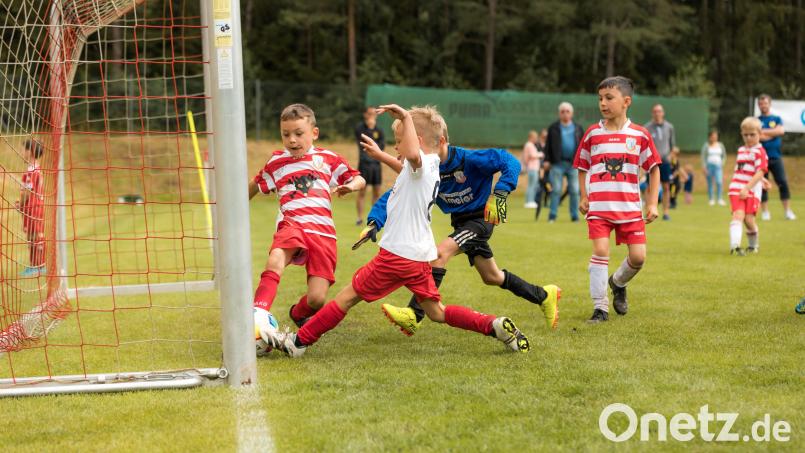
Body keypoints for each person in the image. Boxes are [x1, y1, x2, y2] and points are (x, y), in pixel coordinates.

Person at [264, 104, 531, 357]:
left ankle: (298, 342)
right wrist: (381, 156)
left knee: (346, 298)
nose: (396, 146)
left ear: (419, 141)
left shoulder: (421, 162)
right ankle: (494, 325)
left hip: (396, 256)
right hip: (418, 258)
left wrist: (404, 116)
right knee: (437, 312)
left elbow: (413, 157)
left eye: (400, 140)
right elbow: (406, 167)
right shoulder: (431, 167)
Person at [356, 130, 560, 336]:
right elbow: (394, 196)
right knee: (491, 276)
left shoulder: (468, 159)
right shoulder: (428, 169)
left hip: (481, 220)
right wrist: (375, 221)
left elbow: (510, 162)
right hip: (461, 223)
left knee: (438, 255)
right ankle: (543, 295)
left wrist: (500, 193)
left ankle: (414, 315)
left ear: (439, 141)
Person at [250, 104, 366, 347]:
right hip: (292, 226)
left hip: (323, 235)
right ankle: (257, 315)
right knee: (275, 259)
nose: (292, 140)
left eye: (298, 133)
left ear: (314, 133)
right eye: (286, 134)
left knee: (316, 299)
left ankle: (298, 313)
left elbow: (359, 178)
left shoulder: (329, 159)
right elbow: (255, 184)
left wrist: (351, 186)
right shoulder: (276, 162)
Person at [574, 76, 661, 323]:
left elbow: (654, 168)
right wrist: (583, 195)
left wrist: (652, 202)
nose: (603, 103)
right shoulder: (592, 133)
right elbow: (582, 165)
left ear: (626, 101)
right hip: (599, 208)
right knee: (601, 251)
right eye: (600, 98)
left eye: (608, 98)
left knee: (638, 258)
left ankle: (618, 282)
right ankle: (600, 308)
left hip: (630, 209)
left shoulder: (640, 135)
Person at [727, 117, 768, 256]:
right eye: (746, 135)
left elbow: (760, 170)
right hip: (736, 189)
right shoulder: (741, 150)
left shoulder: (760, 152)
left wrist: (749, 187)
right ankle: (735, 246)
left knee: (749, 220)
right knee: (738, 215)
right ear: (741, 134)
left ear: (760, 134)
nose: (749, 137)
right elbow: (743, 170)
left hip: (751, 190)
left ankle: (753, 245)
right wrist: (742, 188)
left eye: (752, 134)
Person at [757, 94, 796, 220]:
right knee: (762, 185)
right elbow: (758, 136)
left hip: (776, 157)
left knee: (783, 183)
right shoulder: (756, 121)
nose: (763, 105)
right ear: (759, 105)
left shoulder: (777, 118)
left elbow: (781, 131)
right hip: (762, 158)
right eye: (761, 103)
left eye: (765, 103)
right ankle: (765, 212)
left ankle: (787, 211)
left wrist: (764, 131)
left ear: (770, 104)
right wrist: (773, 132)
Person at [544, 102, 583, 222]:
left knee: (575, 190)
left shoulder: (578, 128)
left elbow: (583, 146)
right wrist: (546, 160)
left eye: (567, 111)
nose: (565, 114)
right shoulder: (553, 128)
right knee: (556, 190)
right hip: (557, 164)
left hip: (574, 164)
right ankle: (552, 215)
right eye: (562, 111)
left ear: (572, 113)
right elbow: (548, 146)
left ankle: (574, 216)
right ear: (559, 113)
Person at [17, 139, 45, 277]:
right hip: (34, 206)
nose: (21, 153)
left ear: (31, 152)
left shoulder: (31, 171)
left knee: (34, 236)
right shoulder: (36, 168)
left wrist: (21, 204)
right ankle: (36, 265)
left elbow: (27, 192)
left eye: (23, 150)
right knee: (32, 236)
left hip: (32, 207)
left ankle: (38, 265)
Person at [354, 106, 385, 225]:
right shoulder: (360, 128)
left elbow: (381, 147)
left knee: (376, 192)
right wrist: (370, 128)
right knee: (362, 192)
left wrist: (373, 128)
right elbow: (362, 143)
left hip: (376, 165)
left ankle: (374, 218)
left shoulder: (380, 130)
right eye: (370, 113)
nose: (372, 116)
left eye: (374, 113)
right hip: (364, 164)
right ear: (365, 115)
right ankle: (359, 218)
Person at [644, 104, 676, 221]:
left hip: (665, 162)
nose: (657, 114)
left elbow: (672, 146)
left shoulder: (669, 127)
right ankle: (649, 210)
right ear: (653, 113)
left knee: (666, 187)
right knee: (649, 187)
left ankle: (666, 212)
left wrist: (670, 157)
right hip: (652, 162)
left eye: (659, 111)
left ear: (663, 113)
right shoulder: (647, 127)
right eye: (655, 111)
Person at [701, 129, 726, 206]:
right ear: (710, 137)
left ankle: (719, 199)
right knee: (710, 183)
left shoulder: (720, 145)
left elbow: (724, 156)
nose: (715, 137)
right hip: (709, 166)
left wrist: (722, 163)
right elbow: (703, 157)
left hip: (718, 166)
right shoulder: (706, 146)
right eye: (713, 136)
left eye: (716, 136)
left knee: (719, 182)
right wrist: (704, 167)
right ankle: (711, 199)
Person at [522, 130, 543, 208]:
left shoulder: (529, 145)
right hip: (532, 168)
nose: (536, 139)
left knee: (531, 185)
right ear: (531, 137)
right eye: (535, 137)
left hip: (532, 168)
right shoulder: (529, 145)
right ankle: (530, 201)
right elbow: (533, 155)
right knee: (532, 185)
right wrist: (541, 154)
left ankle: (529, 201)